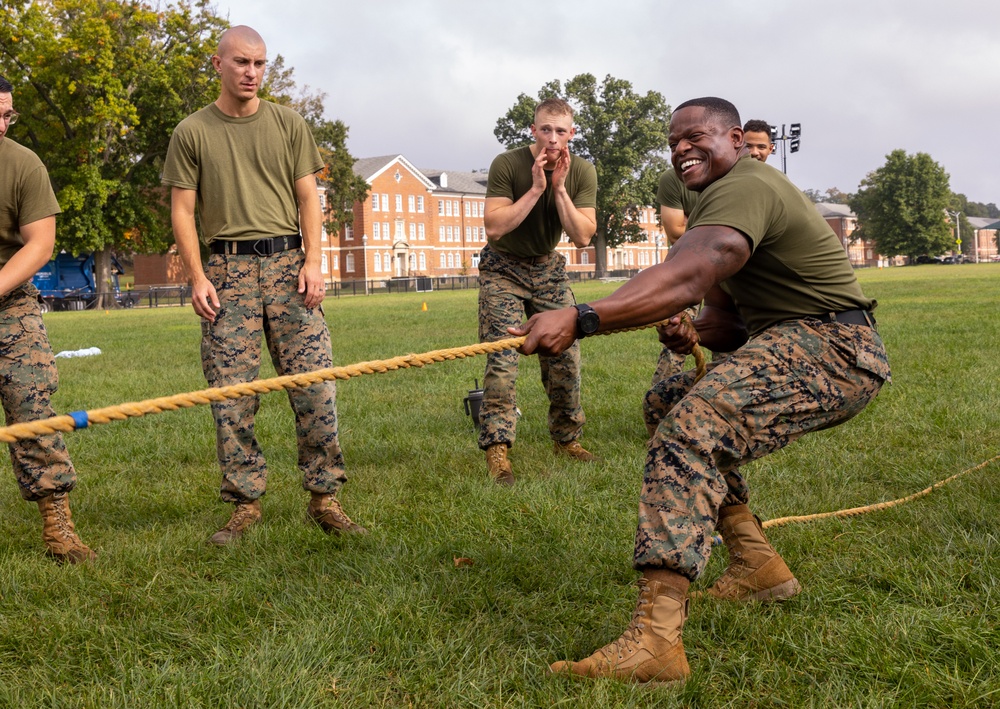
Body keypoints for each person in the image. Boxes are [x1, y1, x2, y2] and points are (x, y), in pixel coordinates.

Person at [512, 97, 890, 684]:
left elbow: (690, 272)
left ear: (736, 139)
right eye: (673, 142)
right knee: (668, 402)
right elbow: (728, 321)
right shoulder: (720, 195)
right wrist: (693, 330)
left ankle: (656, 643)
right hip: (800, 339)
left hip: (835, 349)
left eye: (696, 137)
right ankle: (757, 564)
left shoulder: (746, 183)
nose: (682, 148)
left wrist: (582, 316)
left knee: (691, 428)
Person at [162, 26, 365, 545]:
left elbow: (308, 199)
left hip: (289, 268)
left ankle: (325, 498)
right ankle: (245, 505)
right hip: (227, 274)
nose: (251, 73)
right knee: (231, 397)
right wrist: (198, 277)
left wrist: (315, 262)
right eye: (241, 63)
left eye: (259, 64)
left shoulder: (288, 123)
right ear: (218, 64)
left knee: (316, 388)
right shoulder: (192, 132)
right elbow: (182, 211)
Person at [0, 75, 95, 563]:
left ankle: (58, 526)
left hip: (11, 304)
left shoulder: (22, 164)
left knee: (32, 406)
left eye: (7, 115)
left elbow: (39, 243)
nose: (1, 125)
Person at [478, 97, 598, 485]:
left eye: (560, 131)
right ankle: (498, 451)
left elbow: (582, 237)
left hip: (547, 270)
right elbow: (495, 228)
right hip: (503, 270)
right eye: (545, 129)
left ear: (571, 134)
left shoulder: (582, 171)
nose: (552, 138)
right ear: (533, 129)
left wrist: (560, 190)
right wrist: (535, 188)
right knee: (502, 359)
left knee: (566, 355)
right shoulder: (507, 164)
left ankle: (567, 440)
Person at [649, 117, 775, 389]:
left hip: (742, 272)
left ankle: (720, 393)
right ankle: (666, 395)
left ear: (771, 149)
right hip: (691, 266)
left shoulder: (766, 184)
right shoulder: (676, 179)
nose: (754, 152)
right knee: (678, 333)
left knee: (735, 335)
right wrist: (720, 238)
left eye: (760, 147)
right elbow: (673, 230)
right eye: (749, 146)